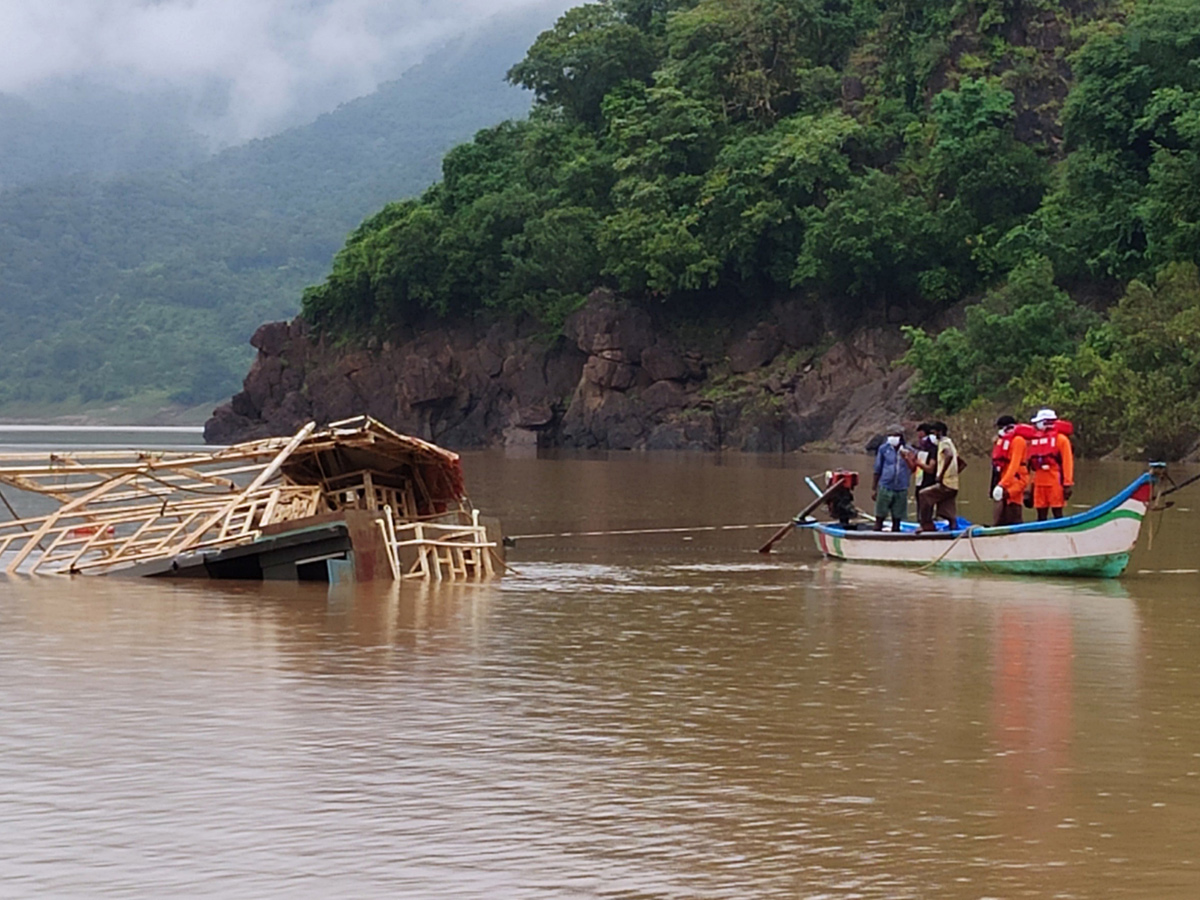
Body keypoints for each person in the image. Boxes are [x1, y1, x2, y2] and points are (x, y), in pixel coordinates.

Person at [1026, 407, 1074, 520]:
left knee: (1057, 512)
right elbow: (1031, 467)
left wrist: (1067, 484)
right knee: (1040, 514)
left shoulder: (1061, 440)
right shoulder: (1034, 441)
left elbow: (1067, 462)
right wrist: (1029, 489)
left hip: (1055, 482)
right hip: (1039, 482)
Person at [917, 421, 960, 532]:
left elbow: (949, 455)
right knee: (947, 510)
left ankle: (926, 524)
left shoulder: (943, 443)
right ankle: (953, 527)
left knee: (923, 495)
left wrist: (941, 475)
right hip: (953, 483)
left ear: (939, 432)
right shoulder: (950, 442)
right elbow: (960, 461)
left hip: (945, 483)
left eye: (934, 432)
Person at [991, 415, 1030, 526]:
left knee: (1014, 506)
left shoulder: (1018, 441)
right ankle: (998, 527)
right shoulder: (1002, 441)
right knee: (1002, 506)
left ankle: (1016, 531)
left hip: (1017, 478)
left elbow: (1014, 465)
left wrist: (1003, 484)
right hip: (1005, 477)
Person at [871, 425, 912, 532]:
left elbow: (912, 468)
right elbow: (877, 468)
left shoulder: (908, 450)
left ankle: (896, 533)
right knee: (880, 514)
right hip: (885, 485)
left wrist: (906, 458)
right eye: (890, 435)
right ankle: (876, 534)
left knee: (897, 517)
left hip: (901, 486)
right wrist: (874, 488)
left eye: (895, 435)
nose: (892, 437)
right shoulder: (883, 449)